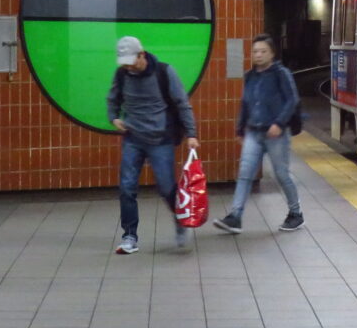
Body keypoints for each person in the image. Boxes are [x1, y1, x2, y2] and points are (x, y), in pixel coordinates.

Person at [107, 35, 199, 254]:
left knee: (167, 187)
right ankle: (130, 235)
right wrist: (113, 117)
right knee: (127, 188)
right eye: (125, 63)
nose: (129, 66)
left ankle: (180, 220)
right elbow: (113, 99)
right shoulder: (122, 74)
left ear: (142, 54)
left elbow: (182, 103)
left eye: (132, 61)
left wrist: (192, 134)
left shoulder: (164, 72)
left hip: (161, 139)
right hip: (133, 138)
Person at [212, 34, 305, 234]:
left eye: (263, 51)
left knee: (281, 174)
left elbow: (292, 100)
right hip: (254, 132)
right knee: (245, 174)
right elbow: (246, 103)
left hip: (276, 134)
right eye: (255, 51)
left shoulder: (281, 74)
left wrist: (279, 123)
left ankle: (295, 213)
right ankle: (235, 216)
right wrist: (240, 128)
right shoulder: (250, 76)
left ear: (272, 54)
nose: (259, 55)